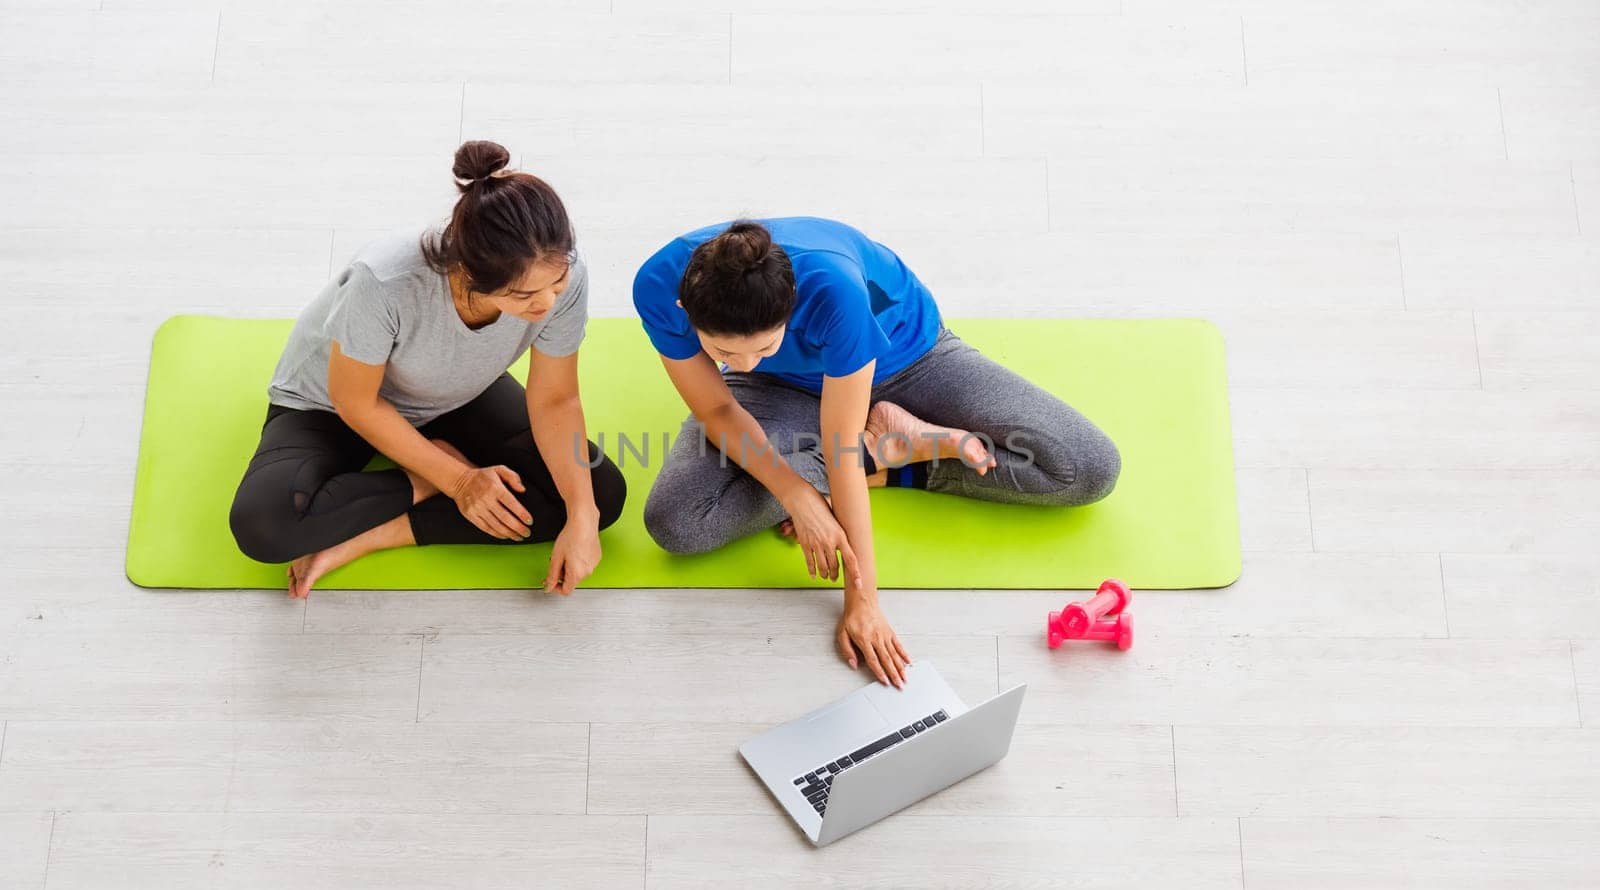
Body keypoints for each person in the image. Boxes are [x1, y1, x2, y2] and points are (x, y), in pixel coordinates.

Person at [634, 217, 1120, 687]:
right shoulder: (659, 286)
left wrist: (862, 599)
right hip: (776, 389)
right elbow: (718, 408)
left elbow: (839, 447)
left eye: (764, 345)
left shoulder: (834, 289)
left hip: (909, 359)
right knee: (679, 523)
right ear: (684, 306)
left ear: (791, 306)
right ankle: (888, 451)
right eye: (723, 353)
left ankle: (893, 455)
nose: (741, 362)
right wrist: (800, 497)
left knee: (1085, 469)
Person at [229, 140, 625, 598]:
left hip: (457, 394)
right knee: (266, 525)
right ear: (469, 276)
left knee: (598, 495)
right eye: (523, 297)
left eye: (557, 283)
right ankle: (423, 476)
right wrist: (454, 479)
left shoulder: (562, 275)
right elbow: (355, 401)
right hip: (331, 405)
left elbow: (556, 399)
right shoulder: (385, 282)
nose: (548, 302)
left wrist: (582, 516)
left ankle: (375, 532)